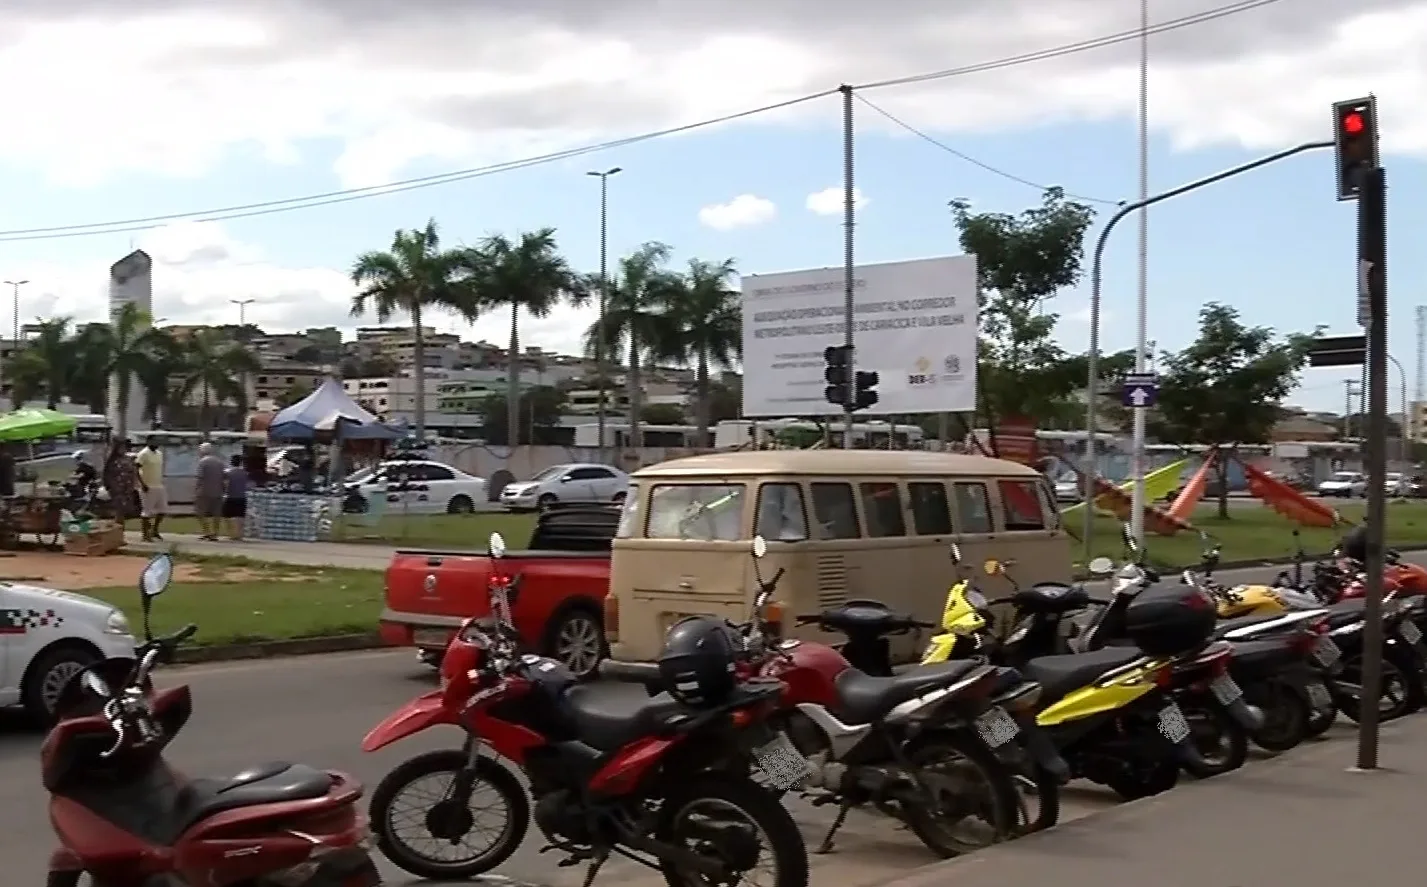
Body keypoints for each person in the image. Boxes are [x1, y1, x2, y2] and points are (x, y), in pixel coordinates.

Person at [134, 436, 167, 542]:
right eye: (154, 441)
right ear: (148, 442)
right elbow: (136, 469)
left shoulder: (159, 454)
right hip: (147, 486)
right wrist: (142, 483)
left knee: (162, 510)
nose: (156, 443)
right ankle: (145, 535)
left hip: (158, 485)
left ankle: (155, 531)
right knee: (146, 511)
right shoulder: (143, 454)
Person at [193, 442, 225, 541]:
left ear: (202, 451)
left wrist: (196, 489)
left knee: (200, 512)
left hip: (204, 491)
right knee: (216, 513)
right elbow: (224, 477)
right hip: (218, 491)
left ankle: (207, 532)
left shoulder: (202, 462)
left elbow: (200, 477)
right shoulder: (220, 462)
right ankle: (215, 533)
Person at [102, 441, 136, 530]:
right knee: (119, 510)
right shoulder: (112, 461)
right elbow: (107, 474)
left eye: (124, 448)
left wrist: (132, 485)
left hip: (127, 488)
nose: (123, 450)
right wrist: (111, 486)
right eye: (121, 448)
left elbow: (133, 472)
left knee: (124, 511)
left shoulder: (127, 459)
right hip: (117, 489)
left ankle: (120, 530)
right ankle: (118, 531)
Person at [222, 453, 249, 540]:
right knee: (240, 516)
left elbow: (225, 484)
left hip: (230, 496)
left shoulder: (227, 473)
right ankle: (239, 534)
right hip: (242, 496)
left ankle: (231, 534)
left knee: (227, 516)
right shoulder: (245, 473)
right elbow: (248, 485)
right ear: (240, 462)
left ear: (231, 462)